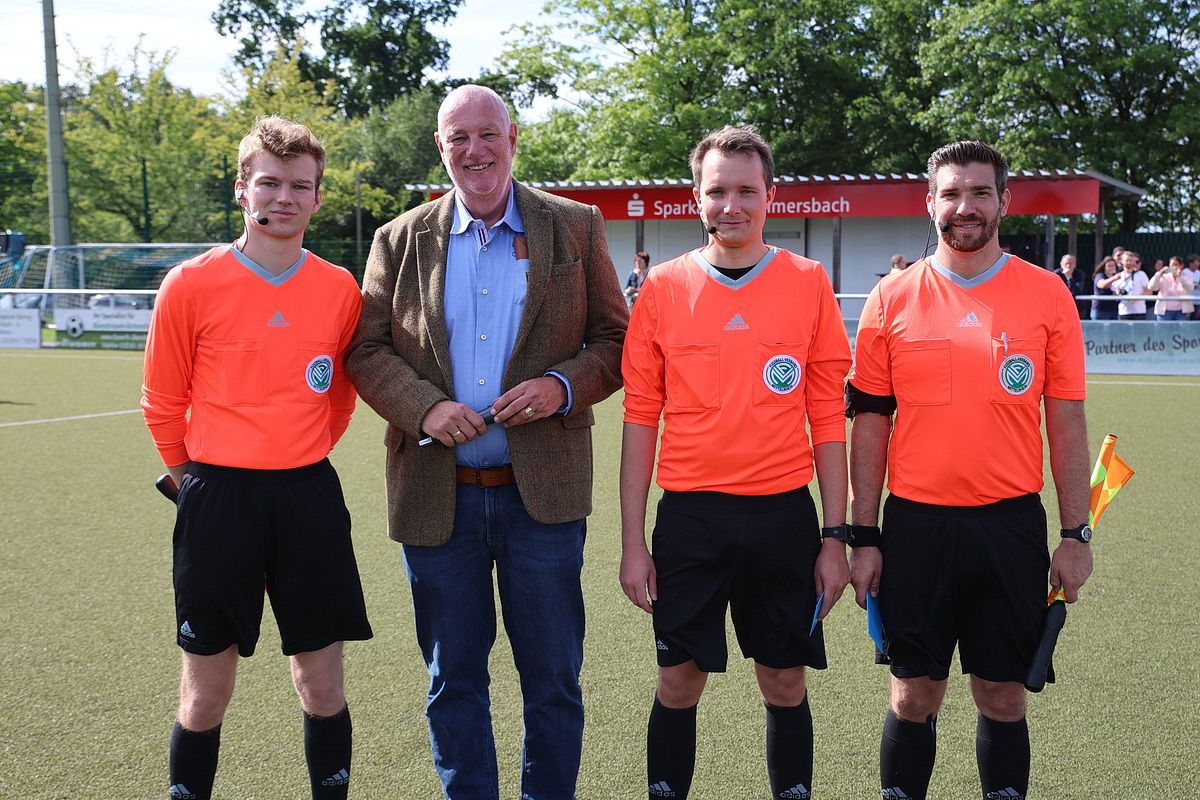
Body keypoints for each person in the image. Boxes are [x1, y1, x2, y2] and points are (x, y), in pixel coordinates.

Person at [343, 84, 627, 800]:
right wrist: (424, 409)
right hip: (438, 501)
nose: (475, 150)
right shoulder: (398, 239)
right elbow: (366, 350)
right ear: (441, 147)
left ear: (512, 138)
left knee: (553, 681)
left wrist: (560, 386)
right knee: (453, 682)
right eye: (459, 137)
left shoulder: (576, 225)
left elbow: (616, 341)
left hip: (543, 502)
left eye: (487, 134)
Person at [847, 140, 1093, 800]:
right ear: (930, 202)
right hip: (915, 527)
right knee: (912, 694)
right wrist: (862, 536)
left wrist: (1076, 534)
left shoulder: (1047, 294)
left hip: (1009, 527)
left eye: (980, 192)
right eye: (952, 193)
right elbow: (869, 426)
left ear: (1003, 201)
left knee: (1003, 695)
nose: (966, 207)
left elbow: (1066, 423)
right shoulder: (890, 298)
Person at [141, 116, 373, 800]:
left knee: (321, 685)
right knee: (205, 695)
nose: (284, 197)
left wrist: (297, 457)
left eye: (300, 186)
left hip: (308, 497)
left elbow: (340, 400)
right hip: (217, 499)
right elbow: (162, 402)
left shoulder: (339, 288)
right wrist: (196, 484)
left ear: (318, 197)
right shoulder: (189, 283)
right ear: (242, 190)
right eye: (269, 183)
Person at [620, 126, 852, 800]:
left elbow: (827, 420)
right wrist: (633, 543)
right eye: (717, 191)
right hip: (690, 519)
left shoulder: (808, 282)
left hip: (783, 516)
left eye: (746, 190)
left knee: (784, 678)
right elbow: (640, 419)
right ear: (696, 197)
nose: (732, 206)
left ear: (769, 195)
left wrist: (834, 538)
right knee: (678, 679)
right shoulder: (663, 288)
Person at [1148, 255, 1194, 321]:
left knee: (1181, 327)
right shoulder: (1164, 277)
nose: (1174, 267)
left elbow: (1190, 288)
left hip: (1181, 311)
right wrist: (1159, 274)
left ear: (1181, 266)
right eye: (1172, 265)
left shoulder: (1186, 276)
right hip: (1165, 311)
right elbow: (1151, 287)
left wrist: (1180, 277)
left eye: (1176, 265)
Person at [1114, 250, 1151, 320]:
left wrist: (1137, 298)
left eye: (1131, 261)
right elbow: (1114, 292)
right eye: (1127, 260)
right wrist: (1117, 292)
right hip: (1123, 311)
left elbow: (1149, 291)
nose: (1129, 263)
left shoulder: (1141, 274)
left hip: (1139, 312)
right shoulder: (1118, 276)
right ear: (1121, 261)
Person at [1053, 253, 1088, 319]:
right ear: (1061, 264)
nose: (1068, 266)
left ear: (1075, 264)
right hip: (1061, 306)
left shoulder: (1079, 274)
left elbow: (1078, 291)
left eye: (1070, 264)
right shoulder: (1056, 274)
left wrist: (1069, 277)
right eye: (1066, 263)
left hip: (1077, 306)